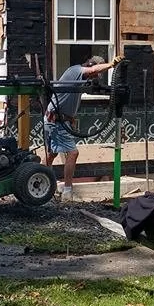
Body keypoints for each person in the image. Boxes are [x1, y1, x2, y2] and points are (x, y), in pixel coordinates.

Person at [44, 54, 123, 201]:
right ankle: (67, 191)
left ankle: (46, 184)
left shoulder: (80, 79)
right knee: (72, 153)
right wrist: (111, 64)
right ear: (90, 65)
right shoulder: (75, 71)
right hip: (55, 120)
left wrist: (70, 118)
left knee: (52, 153)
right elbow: (92, 70)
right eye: (95, 75)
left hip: (58, 119)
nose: (94, 78)